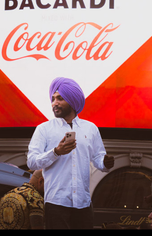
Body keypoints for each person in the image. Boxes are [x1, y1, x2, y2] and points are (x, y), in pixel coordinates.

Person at [27, 77, 115, 229]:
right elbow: (32, 162)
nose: (55, 103)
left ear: (72, 100)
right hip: (56, 202)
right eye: (53, 99)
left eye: (60, 98)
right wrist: (55, 152)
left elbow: (98, 158)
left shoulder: (90, 128)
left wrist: (105, 163)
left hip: (83, 203)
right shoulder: (44, 129)